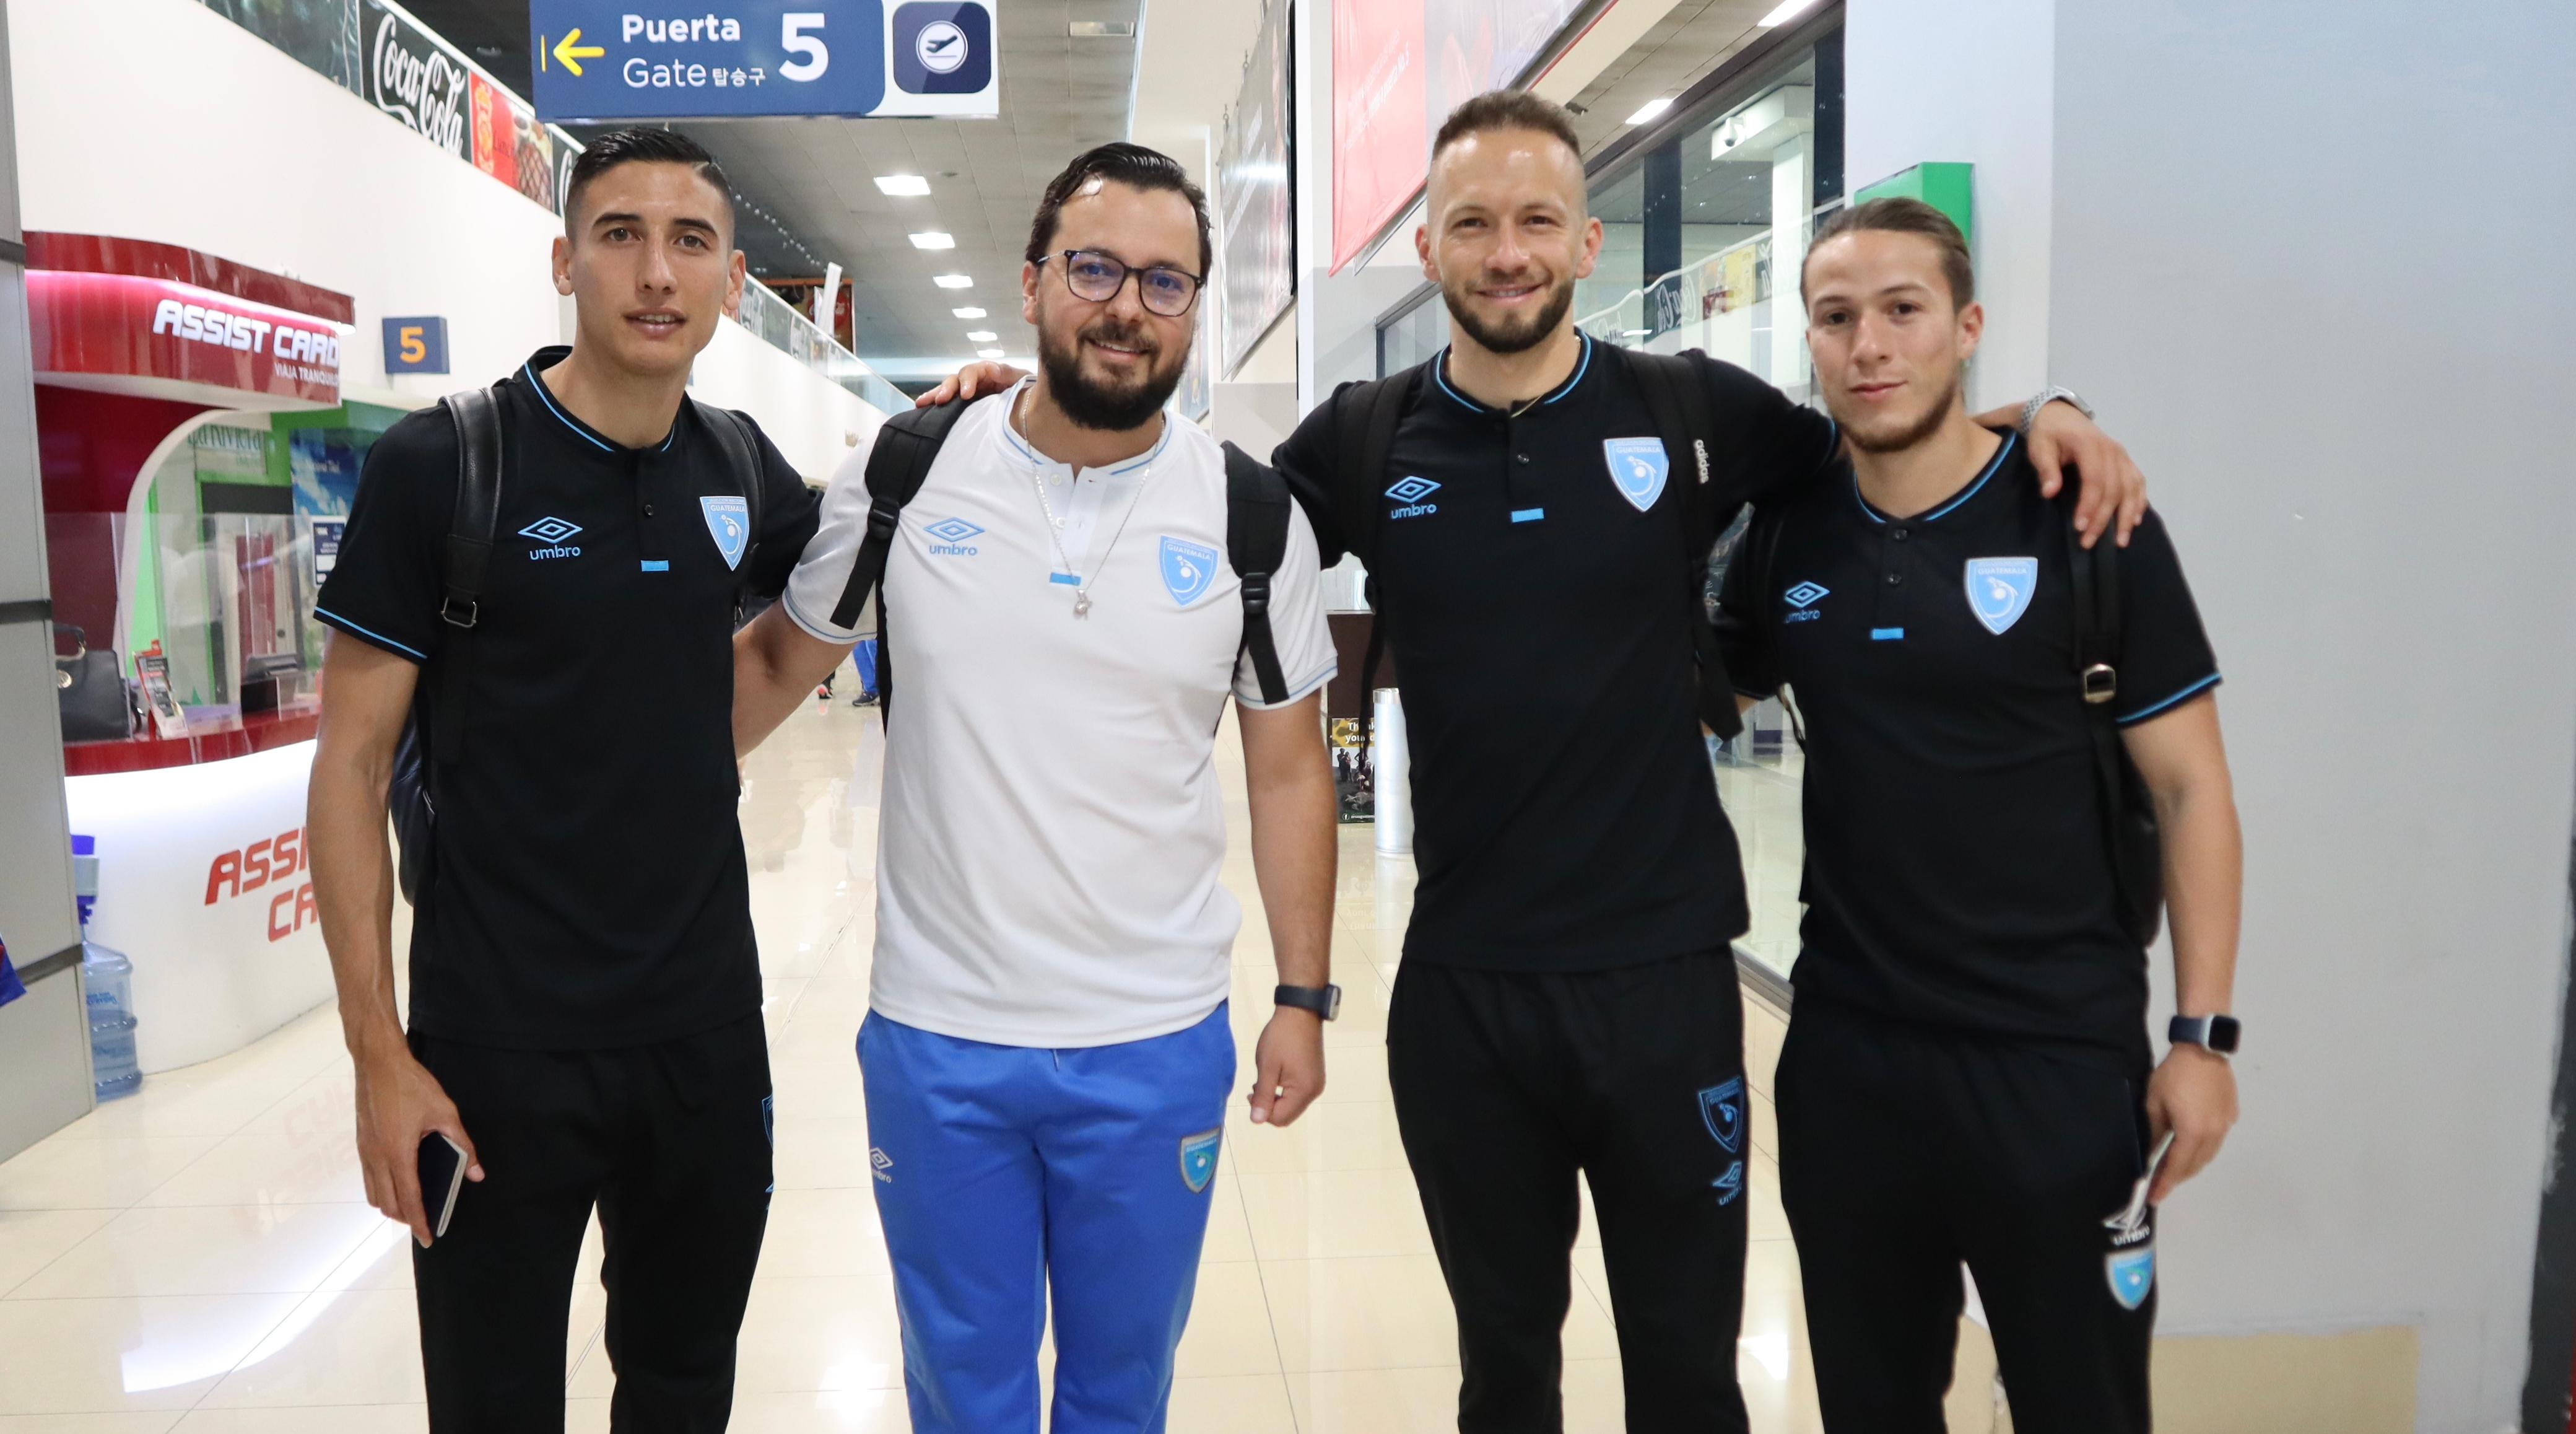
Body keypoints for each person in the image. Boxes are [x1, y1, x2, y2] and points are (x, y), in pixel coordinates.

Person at [928, 90, 2147, 1434]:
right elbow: (1184, 506)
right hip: (1466, 1000)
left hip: (1668, 984)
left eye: (1535, 221)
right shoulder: (1363, 438)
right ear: (1433, 251)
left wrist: (2043, 409)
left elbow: (1901, 437)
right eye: (1471, 223)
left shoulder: (1692, 410)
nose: (1504, 250)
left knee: (1689, 1377)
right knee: (1504, 1377)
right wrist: (1012, 407)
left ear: (1582, 243)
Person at [728, 143, 1342, 1434]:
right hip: (940, 1033)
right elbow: (782, 665)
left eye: (1165, 282)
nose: (1127, 306)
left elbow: (1287, 768)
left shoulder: (1250, 514)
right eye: (1096, 268)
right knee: (965, 1391)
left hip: (1156, 1038)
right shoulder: (906, 471)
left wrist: (1299, 997)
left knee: (1125, 1391)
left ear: (1194, 307)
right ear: (1032, 283)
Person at [306, 128, 819, 1431]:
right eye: (621, 235)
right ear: (565, 260)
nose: (657, 272)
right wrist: (379, 1056)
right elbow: (351, 765)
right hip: (493, 1048)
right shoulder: (446, 465)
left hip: (703, 1039)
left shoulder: (742, 466)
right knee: (491, 1406)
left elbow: (762, 661)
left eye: (689, 242)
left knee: (684, 1387)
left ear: (729, 276)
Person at [1715, 197, 2241, 1433]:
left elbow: (2191, 786)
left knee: (2082, 1403)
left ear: (1965, 329)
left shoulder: (2085, 520)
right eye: (1835, 319)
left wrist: (2201, 1037)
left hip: (2055, 1064)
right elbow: (1692, 689)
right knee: (1871, 1405)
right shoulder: (1784, 534)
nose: (1869, 346)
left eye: (1902, 311)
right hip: (1849, 1057)